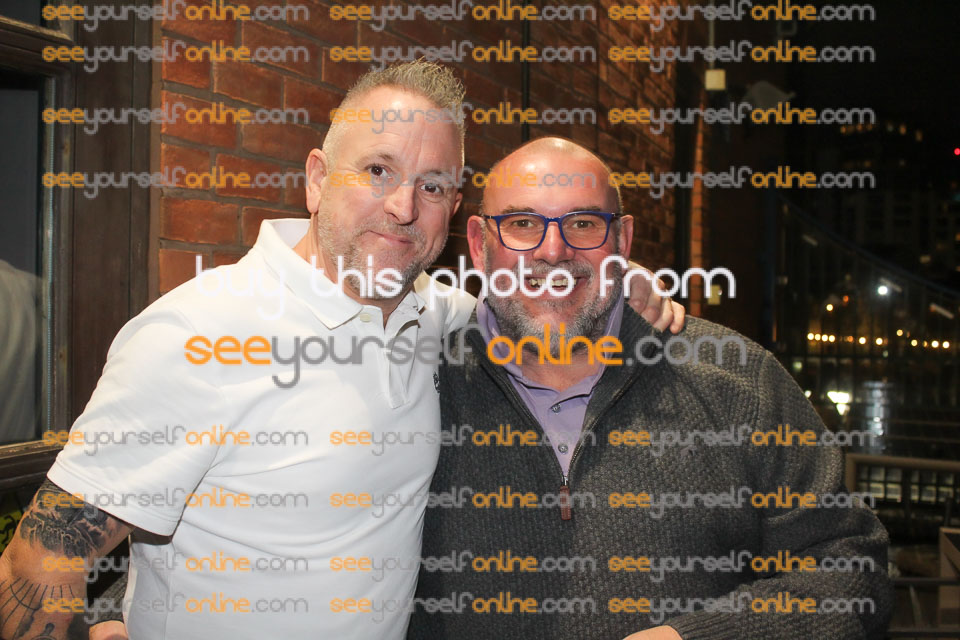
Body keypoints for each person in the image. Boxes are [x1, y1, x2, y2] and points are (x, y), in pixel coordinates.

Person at [0, 63, 680, 640]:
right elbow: (35, 566)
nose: (403, 207)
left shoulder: (435, 314)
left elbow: (535, 300)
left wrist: (616, 280)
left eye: (433, 185)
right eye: (378, 170)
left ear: (453, 208)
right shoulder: (198, 334)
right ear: (318, 178)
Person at [406, 137, 893, 639]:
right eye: (523, 223)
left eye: (584, 224)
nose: (554, 251)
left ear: (622, 243)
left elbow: (852, 570)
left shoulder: (738, 380)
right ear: (480, 244)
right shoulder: (418, 380)